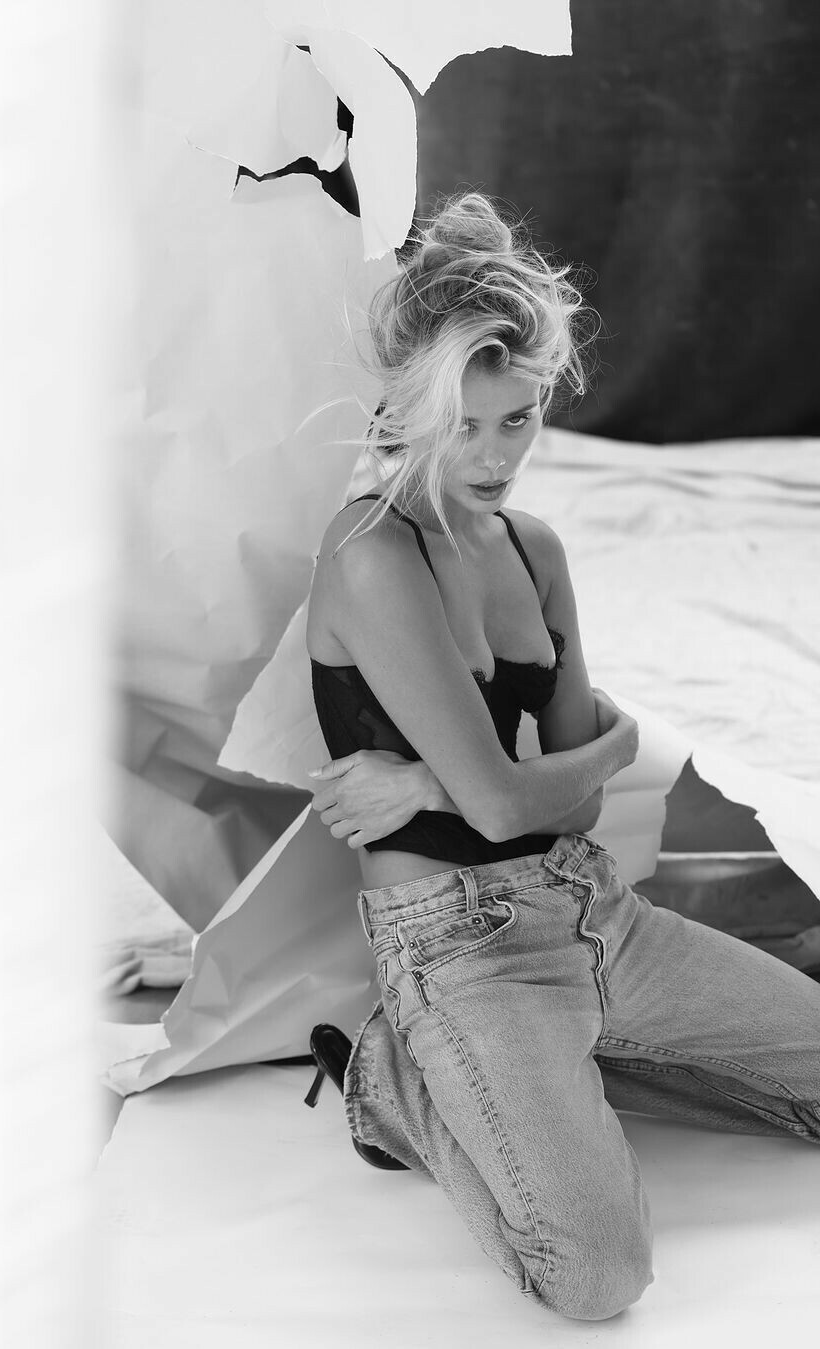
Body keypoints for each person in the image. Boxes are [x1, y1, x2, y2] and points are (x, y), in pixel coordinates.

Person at [302, 190, 820, 1322]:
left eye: (520, 418)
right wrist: (586, 751)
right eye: (465, 422)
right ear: (409, 403)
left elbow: (570, 807)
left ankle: (558, 1076)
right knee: (596, 1276)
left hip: (592, 907)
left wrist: (437, 780)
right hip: (460, 949)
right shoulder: (372, 553)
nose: (496, 455)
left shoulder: (534, 547)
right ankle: (395, 1080)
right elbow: (510, 802)